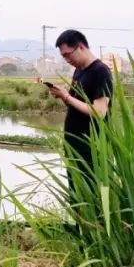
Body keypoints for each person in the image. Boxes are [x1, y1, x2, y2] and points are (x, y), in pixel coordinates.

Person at [47, 29, 113, 194]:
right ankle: (79, 220)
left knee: (91, 193)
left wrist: (67, 97)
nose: (67, 60)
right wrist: (63, 96)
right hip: (74, 144)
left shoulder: (100, 71)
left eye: (68, 54)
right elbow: (78, 104)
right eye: (64, 57)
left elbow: (99, 112)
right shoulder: (79, 70)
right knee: (76, 193)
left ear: (81, 47)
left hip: (91, 146)